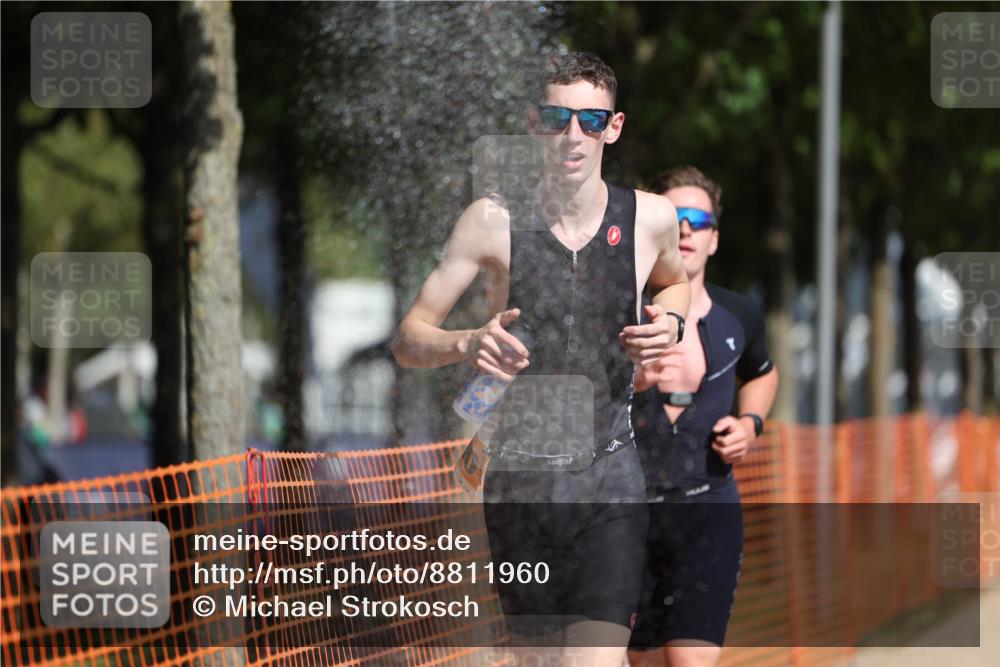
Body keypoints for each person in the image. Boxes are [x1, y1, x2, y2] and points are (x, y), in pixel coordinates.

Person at [391, 52, 690, 667]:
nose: (572, 135)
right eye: (557, 118)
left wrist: (674, 321)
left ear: (614, 126)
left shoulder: (650, 218)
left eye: (589, 119)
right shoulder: (490, 223)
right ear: (534, 124)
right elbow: (408, 338)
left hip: (611, 478)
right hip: (521, 486)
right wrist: (468, 341)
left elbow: (675, 283)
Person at [627, 167, 779, 667]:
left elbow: (763, 373)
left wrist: (751, 424)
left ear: (714, 239)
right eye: (675, 218)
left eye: (699, 220)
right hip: (628, 516)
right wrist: (632, 383)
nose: (687, 230)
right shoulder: (621, 315)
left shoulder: (741, 316)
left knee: (691, 661)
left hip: (709, 510)